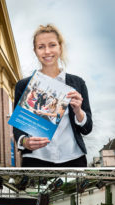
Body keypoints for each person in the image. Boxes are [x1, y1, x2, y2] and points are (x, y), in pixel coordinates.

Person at [13, 24, 92, 167]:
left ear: (60, 48)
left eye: (52, 45)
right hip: (36, 159)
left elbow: (87, 128)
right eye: (41, 46)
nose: (47, 51)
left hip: (74, 158)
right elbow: (18, 125)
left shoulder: (77, 83)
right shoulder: (23, 86)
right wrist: (24, 141)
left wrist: (78, 111)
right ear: (35, 51)